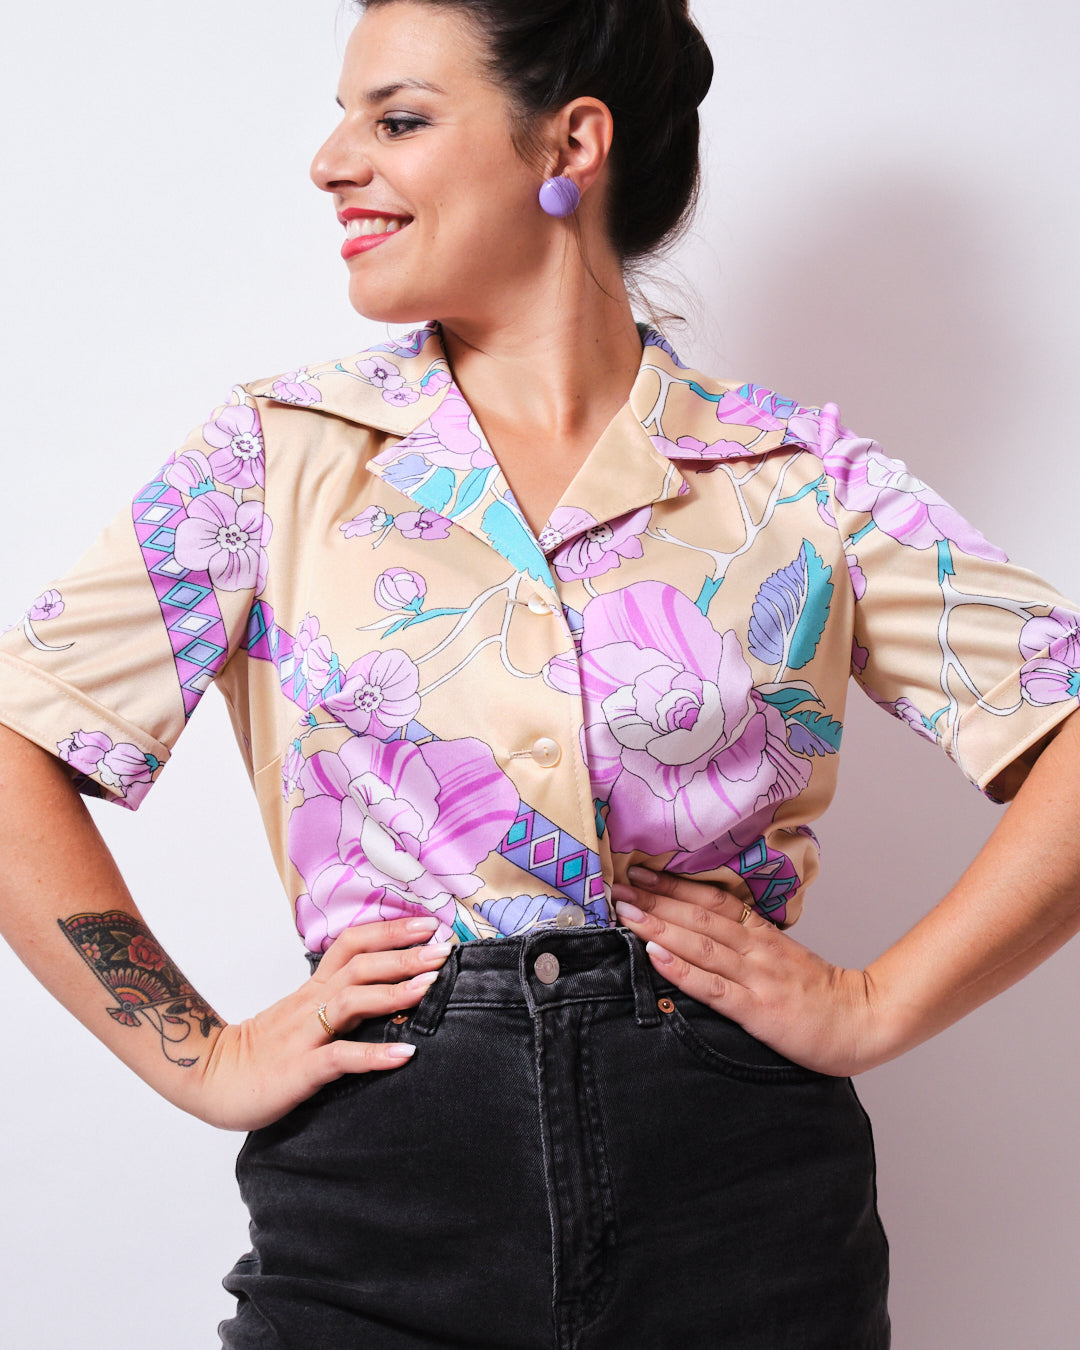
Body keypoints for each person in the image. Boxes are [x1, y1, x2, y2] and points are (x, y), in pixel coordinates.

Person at [2, 0, 1079, 1346]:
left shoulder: (796, 478)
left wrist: (875, 1005)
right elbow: (20, 736)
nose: (331, 162)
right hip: (380, 1202)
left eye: (398, 118)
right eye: (344, 120)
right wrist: (200, 1055)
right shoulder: (277, 452)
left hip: (746, 1208)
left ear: (570, 142)